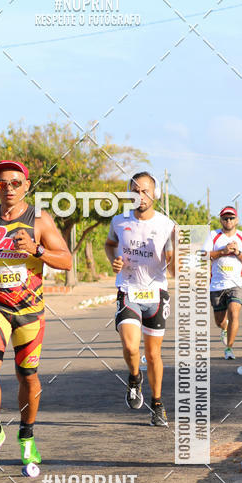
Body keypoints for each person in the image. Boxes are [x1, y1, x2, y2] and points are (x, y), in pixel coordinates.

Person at [0, 160, 72, 465]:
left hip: (29, 310)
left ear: (27, 186)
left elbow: (66, 261)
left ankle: (27, 436)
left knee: (28, 376)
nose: (9, 188)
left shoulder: (39, 219)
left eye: (15, 183)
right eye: (2, 183)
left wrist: (37, 250)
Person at [104, 172, 175, 427]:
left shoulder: (168, 225)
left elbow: (175, 269)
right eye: (135, 191)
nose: (140, 196)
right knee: (131, 347)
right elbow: (110, 244)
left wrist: (175, 257)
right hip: (128, 289)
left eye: (145, 191)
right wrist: (114, 260)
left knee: (153, 354)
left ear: (155, 194)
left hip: (156, 292)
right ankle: (134, 377)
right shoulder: (119, 221)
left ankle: (157, 404)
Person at [204, 205, 242, 360]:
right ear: (221, 220)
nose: (229, 220)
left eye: (231, 218)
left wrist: (237, 252)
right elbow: (203, 256)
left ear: (237, 220)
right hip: (217, 285)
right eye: (225, 218)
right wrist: (222, 252)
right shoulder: (213, 235)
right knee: (220, 321)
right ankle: (224, 329)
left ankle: (229, 348)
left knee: (234, 313)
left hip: (235, 283)